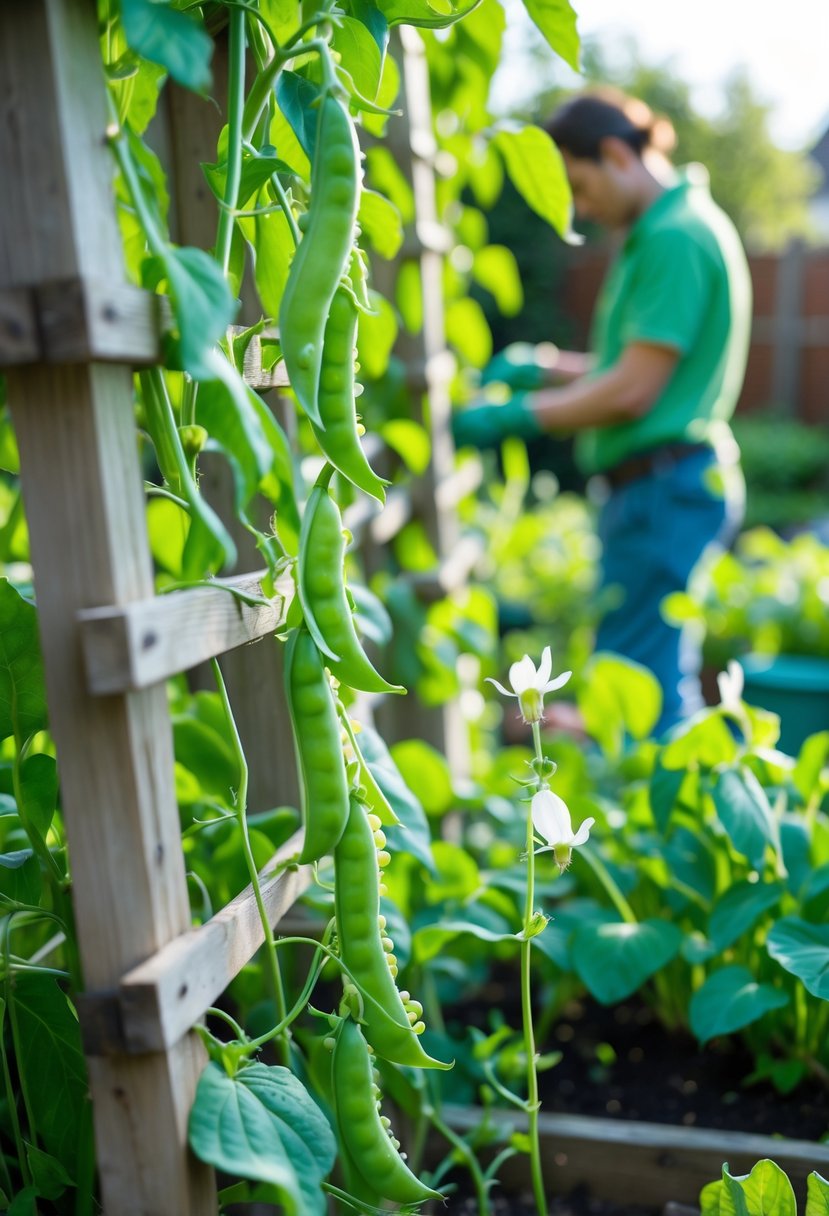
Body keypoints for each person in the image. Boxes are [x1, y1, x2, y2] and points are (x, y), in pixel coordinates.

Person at [454, 90, 752, 735]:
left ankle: (664, 830)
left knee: (642, 697)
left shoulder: (675, 238)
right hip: (664, 486)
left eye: (581, 187)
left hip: (662, 489)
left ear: (616, 153)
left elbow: (631, 391)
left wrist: (518, 415)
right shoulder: (663, 230)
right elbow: (629, 365)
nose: (581, 209)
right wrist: (543, 364)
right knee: (641, 676)